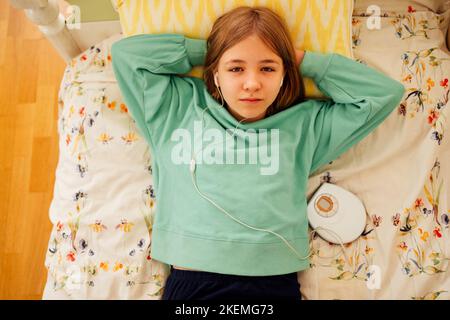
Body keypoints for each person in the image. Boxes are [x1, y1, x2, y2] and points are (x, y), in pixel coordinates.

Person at [111, 6, 405, 300]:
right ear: (215, 73)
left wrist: (303, 60)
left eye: (267, 68)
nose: (252, 83)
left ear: (284, 75)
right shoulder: (174, 108)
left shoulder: (304, 126)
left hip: (272, 284)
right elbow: (128, 56)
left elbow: (382, 95)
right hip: (193, 282)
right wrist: (213, 50)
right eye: (236, 68)